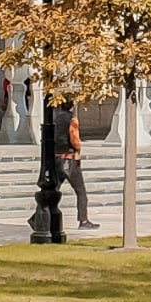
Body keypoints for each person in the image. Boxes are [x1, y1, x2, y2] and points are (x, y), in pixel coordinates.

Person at [61, 98, 96, 229]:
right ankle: (83, 220)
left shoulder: (56, 120)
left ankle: (36, 217)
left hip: (57, 159)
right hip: (69, 159)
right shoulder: (72, 120)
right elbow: (74, 139)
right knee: (81, 191)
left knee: (52, 191)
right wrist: (78, 149)